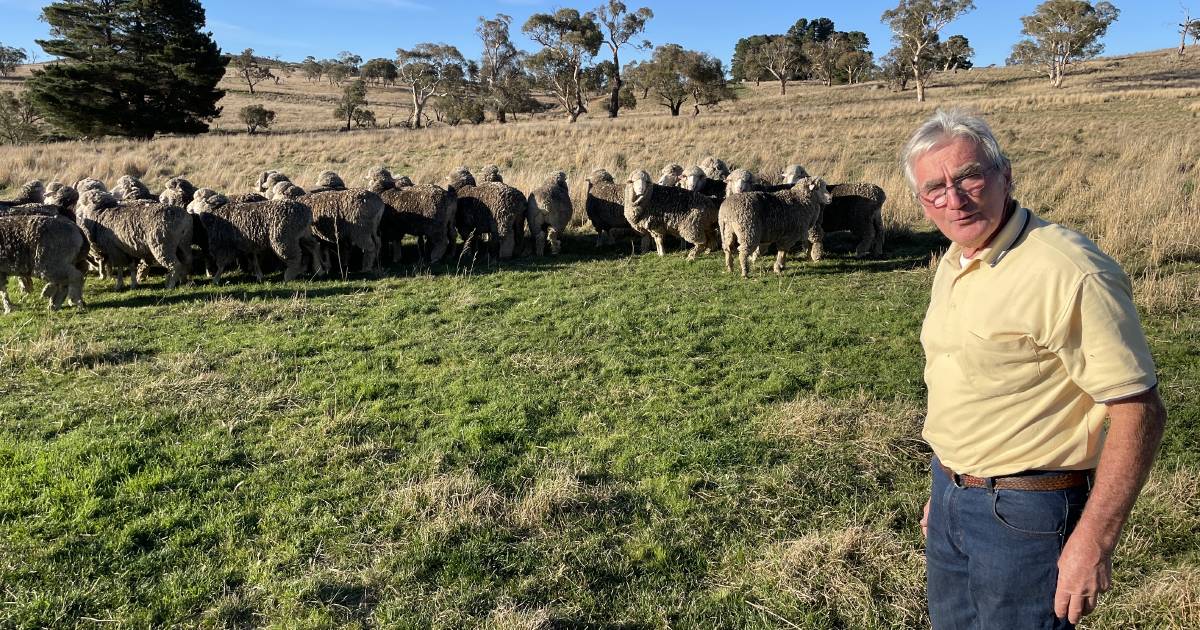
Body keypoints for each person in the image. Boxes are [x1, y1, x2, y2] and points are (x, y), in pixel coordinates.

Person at [904, 108, 1166, 629]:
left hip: (1026, 514)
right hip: (953, 496)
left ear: (1006, 176)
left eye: (969, 177)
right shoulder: (956, 259)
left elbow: (1140, 413)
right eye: (934, 188)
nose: (953, 199)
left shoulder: (1068, 270)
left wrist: (1093, 540)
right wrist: (950, 489)